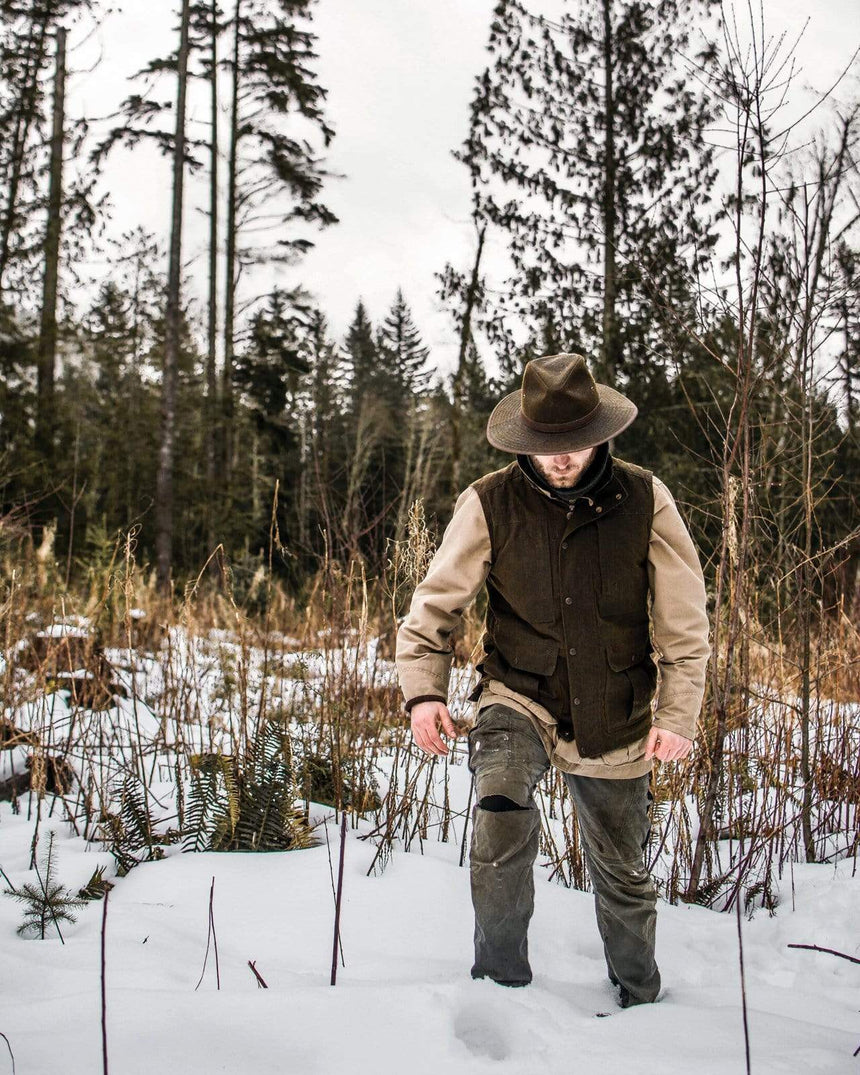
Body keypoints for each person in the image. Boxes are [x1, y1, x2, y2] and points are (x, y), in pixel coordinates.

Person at [394, 352, 710, 1008]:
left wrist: (678, 714)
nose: (562, 457)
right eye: (548, 446)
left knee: (623, 871)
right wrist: (425, 692)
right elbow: (434, 608)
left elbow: (685, 623)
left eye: (575, 444)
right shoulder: (487, 503)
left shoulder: (647, 499)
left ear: (601, 433)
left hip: (614, 705)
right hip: (518, 693)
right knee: (499, 811)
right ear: (526, 439)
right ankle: (499, 987)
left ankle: (642, 1000)